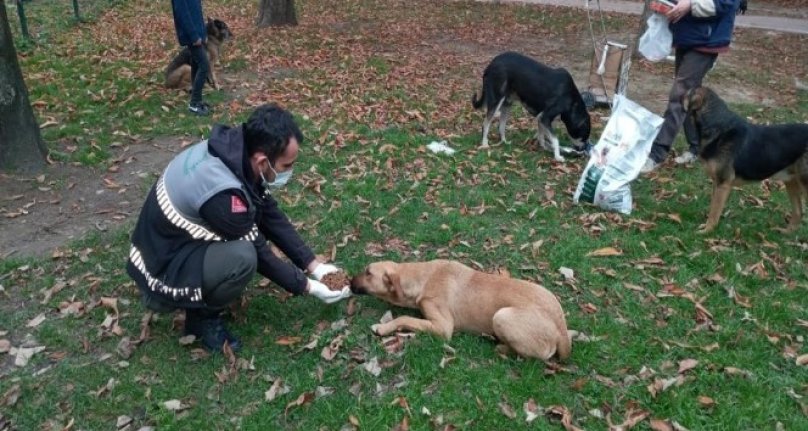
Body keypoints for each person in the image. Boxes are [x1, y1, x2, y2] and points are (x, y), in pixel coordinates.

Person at [126, 104, 351, 352]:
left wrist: (313, 265)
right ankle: (202, 319)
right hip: (161, 274)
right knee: (242, 258)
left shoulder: (236, 150)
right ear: (263, 161)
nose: (290, 172)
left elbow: (267, 212)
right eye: (287, 166)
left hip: (166, 248)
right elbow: (260, 253)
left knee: (244, 245)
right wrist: (308, 286)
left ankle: (201, 299)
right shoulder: (223, 196)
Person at [641, 0, 739, 173]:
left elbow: (725, 3)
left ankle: (657, 152)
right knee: (689, 95)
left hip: (707, 40)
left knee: (680, 94)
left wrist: (690, 5)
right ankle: (696, 147)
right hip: (687, 35)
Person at [170, 0, 212, 116]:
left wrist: (203, 34)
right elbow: (183, 14)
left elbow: (197, 13)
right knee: (204, 66)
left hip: (197, 34)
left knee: (196, 64)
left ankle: (197, 100)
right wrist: (194, 36)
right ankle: (193, 104)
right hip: (191, 35)